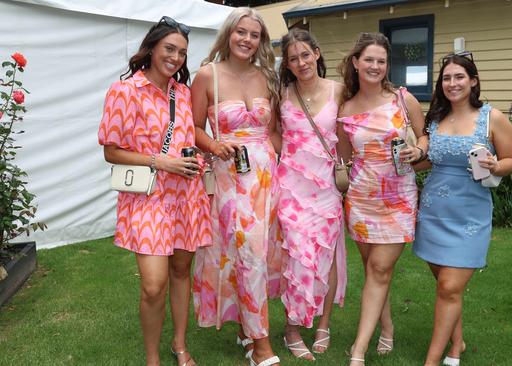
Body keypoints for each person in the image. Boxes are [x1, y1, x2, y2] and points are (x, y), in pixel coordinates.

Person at [98, 16, 211, 366]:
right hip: (147, 198)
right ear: (152, 48)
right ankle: (152, 358)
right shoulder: (125, 91)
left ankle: (179, 345)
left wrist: (197, 159)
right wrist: (161, 162)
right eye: (169, 49)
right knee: (152, 285)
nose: (175, 57)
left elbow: (189, 137)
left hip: (185, 197)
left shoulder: (183, 92)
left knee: (181, 274)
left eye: (181, 52)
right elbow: (111, 151)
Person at [412, 52, 512, 366]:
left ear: (473, 81)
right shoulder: (436, 118)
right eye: (446, 78)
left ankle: (431, 361)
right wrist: (407, 158)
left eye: (459, 77)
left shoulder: (492, 117)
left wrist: (495, 165)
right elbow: (433, 160)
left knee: (449, 286)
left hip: (470, 215)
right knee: (447, 288)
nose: (452, 83)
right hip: (433, 212)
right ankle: (456, 344)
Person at [191, 7, 282, 366]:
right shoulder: (206, 75)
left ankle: (246, 328)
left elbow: (274, 131)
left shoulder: (267, 77)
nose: (246, 39)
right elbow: (194, 128)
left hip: (265, 177)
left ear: (261, 40)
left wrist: (274, 157)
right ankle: (262, 344)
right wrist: (214, 146)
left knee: (259, 255)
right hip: (229, 175)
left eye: (254, 34)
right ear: (228, 34)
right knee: (249, 253)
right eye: (240, 32)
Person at [336, 32, 428, 366]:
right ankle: (386, 327)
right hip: (361, 199)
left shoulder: (403, 99)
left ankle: (358, 351)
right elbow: (345, 158)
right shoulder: (345, 108)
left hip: (398, 198)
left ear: (387, 66)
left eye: (381, 61)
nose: (375, 66)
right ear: (356, 63)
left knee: (379, 268)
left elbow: (424, 136)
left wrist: (418, 150)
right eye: (369, 60)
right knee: (374, 270)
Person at [275, 29, 347, 361]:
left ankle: (323, 324)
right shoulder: (281, 93)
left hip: (327, 188)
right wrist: (288, 156)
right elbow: (273, 133)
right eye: (293, 58)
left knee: (327, 256)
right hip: (291, 187)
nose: (301, 62)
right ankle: (292, 328)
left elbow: (347, 133)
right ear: (287, 64)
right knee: (299, 255)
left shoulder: (340, 90)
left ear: (317, 53)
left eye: (305, 54)